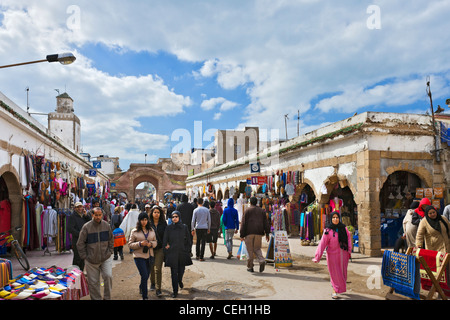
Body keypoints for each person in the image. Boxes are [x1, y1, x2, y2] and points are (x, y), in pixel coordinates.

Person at [312, 211, 352, 299]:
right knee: (335, 273)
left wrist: (349, 251)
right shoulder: (327, 231)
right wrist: (317, 256)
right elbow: (322, 244)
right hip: (332, 256)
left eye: (337, 217)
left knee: (342, 273)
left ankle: (339, 288)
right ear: (331, 219)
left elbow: (349, 239)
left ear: (339, 218)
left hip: (343, 255)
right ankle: (335, 290)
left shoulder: (344, 229)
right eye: (333, 217)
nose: (335, 219)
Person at [77, 207, 114, 300]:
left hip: (105, 258)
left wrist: (110, 251)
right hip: (91, 260)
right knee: (93, 283)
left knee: (108, 276)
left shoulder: (106, 226)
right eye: (96, 215)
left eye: (99, 215)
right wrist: (85, 257)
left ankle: (107, 298)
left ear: (102, 215)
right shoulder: (86, 227)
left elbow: (111, 239)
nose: (98, 217)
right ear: (92, 215)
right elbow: (80, 243)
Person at [163, 211, 193, 298]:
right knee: (173, 273)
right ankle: (175, 291)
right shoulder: (169, 228)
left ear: (179, 217)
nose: (174, 218)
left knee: (181, 271)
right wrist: (166, 248)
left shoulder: (184, 227)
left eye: (176, 216)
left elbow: (188, 240)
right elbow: (165, 239)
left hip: (182, 253)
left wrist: (186, 250)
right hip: (172, 253)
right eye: (173, 217)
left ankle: (180, 280)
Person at [128, 212, 157, 300]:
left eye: (145, 220)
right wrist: (140, 243)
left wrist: (150, 244)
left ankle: (141, 286)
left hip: (149, 255)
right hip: (139, 256)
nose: (144, 222)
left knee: (146, 275)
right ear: (139, 221)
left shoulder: (151, 230)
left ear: (147, 220)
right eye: (142, 220)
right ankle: (145, 296)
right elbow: (130, 245)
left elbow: (156, 242)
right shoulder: (135, 231)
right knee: (144, 275)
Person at [240, 197, 270, 273]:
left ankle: (250, 267)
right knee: (257, 249)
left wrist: (241, 235)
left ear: (250, 202)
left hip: (249, 233)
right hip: (259, 233)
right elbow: (266, 223)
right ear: (256, 202)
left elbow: (243, 224)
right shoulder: (262, 211)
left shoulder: (247, 210)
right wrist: (267, 233)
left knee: (249, 250)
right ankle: (261, 260)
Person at [67, 202, 91, 271]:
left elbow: (90, 223)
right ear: (75, 208)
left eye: (81, 207)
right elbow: (70, 228)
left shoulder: (83, 216)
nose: (80, 208)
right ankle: (75, 272)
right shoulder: (72, 217)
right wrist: (80, 234)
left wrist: (86, 215)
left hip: (84, 241)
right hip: (76, 240)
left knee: (82, 257)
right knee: (77, 257)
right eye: (78, 207)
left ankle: (81, 272)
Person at [149, 205, 167, 297]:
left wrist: (167, 244)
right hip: (150, 248)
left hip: (160, 249)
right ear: (152, 213)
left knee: (158, 268)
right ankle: (152, 283)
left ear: (160, 214)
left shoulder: (163, 224)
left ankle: (158, 289)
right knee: (151, 267)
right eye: (155, 212)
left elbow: (166, 235)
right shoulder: (148, 223)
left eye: (158, 212)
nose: (156, 214)